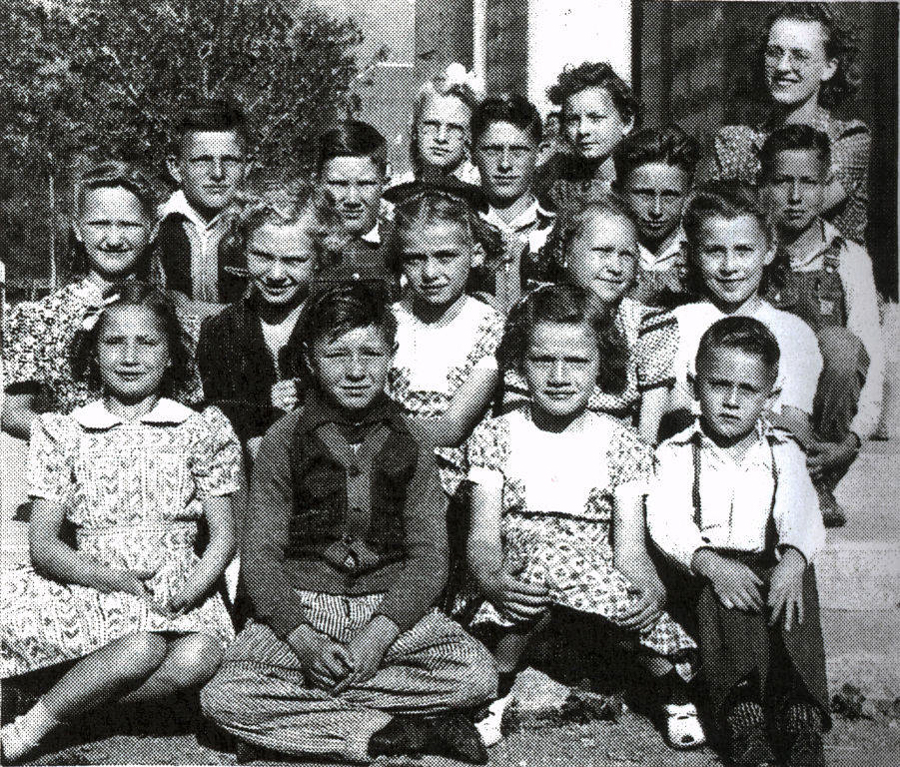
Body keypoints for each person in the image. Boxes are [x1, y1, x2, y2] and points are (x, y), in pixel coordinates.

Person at [200, 283, 498, 765]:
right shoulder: (284, 438)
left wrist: (381, 633)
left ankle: (301, 724)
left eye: (370, 353)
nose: (356, 370)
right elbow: (260, 558)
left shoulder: (414, 439)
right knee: (223, 695)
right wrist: (302, 637)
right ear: (311, 361)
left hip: (389, 609)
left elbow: (429, 556)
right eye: (337, 355)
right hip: (304, 608)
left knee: (475, 672)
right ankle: (392, 730)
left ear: (391, 356)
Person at [0, 283, 238, 764]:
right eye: (114, 342)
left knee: (201, 657)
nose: (130, 357)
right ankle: (29, 728)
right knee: (143, 647)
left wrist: (194, 587)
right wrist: (119, 580)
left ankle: (57, 700)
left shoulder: (200, 428)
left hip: (179, 579)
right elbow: (45, 545)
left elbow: (224, 532)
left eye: (147, 343)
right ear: (93, 354)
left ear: (171, 355)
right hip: (92, 577)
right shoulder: (63, 432)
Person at [462, 284, 703, 751]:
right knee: (520, 600)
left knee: (634, 608)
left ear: (601, 369)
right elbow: (484, 536)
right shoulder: (498, 436)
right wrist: (491, 578)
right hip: (518, 565)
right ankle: (495, 694)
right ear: (518, 366)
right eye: (542, 361)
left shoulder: (620, 443)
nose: (559, 376)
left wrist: (650, 588)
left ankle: (675, 694)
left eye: (577, 362)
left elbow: (629, 546)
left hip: (595, 567)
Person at [648, 317, 829, 767]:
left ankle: (800, 716)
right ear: (694, 385)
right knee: (726, 592)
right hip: (704, 576)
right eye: (717, 385)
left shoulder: (782, 451)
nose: (730, 401)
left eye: (747, 391)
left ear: (770, 397)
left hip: (769, 566)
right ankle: (742, 716)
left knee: (797, 583)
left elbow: (802, 512)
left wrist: (793, 560)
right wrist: (707, 561)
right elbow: (666, 519)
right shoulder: (675, 453)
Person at [2, 161, 200, 441]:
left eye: (129, 225)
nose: (114, 238)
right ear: (79, 229)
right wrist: (79, 439)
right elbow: (13, 413)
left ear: (152, 231)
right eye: (99, 224)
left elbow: (192, 404)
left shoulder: (176, 316)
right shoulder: (39, 318)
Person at [760, 125, 883, 525]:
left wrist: (852, 440)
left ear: (826, 183)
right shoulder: (749, 250)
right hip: (763, 406)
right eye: (782, 182)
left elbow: (871, 358)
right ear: (763, 184)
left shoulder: (849, 257)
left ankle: (817, 484)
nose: (795, 197)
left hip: (823, 427)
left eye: (808, 183)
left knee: (840, 345)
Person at [652, 182, 823, 452]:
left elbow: (796, 424)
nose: (729, 266)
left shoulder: (794, 332)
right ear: (693, 254)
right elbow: (669, 414)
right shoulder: (675, 325)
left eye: (743, 251)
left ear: (768, 251)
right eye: (714, 251)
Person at [707, 2, 869, 242]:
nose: (783, 66)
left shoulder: (850, 140)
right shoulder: (735, 142)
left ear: (829, 67)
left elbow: (796, 211)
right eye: (774, 52)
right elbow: (712, 221)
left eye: (800, 55)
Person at [523, 199, 677, 443]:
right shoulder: (533, 312)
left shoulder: (649, 323)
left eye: (626, 255)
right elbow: (515, 405)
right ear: (564, 253)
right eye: (603, 252)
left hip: (614, 452)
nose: (615, 267)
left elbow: (647, 433)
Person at [197, 185, 325, 453]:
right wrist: (261, 407)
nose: (276, 274)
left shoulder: (333, 325)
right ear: (243, 249)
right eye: (262, 256)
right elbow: (214, 408)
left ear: (319, 258)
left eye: (294, 260)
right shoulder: (222, 330)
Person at [385, 188, 505, 448]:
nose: (429, 272)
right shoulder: (389, 322)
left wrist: (374, 433)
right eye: (415, 259)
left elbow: (452, 428)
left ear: (476, 255)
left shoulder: (489, 328)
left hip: (452, 475)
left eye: (445, 257)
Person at [157, 99, 252, 309]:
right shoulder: (154, 229)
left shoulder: (259, 229)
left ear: (247, 166)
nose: (217, 173)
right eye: (202, 160)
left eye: (230, 160)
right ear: (175, 167)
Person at [471, 93, 557, 312]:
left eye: (518, 151)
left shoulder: (557, 228)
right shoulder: (459, 224)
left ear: (540, 154)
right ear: (471, 152)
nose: (505, 164)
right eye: (492, 150)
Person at [613, 125, 700, 308]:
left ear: (690, 196)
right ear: (618, 192)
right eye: (644, 194)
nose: (656, 210)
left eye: (670, 196)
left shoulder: (700, 255)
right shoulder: (603, 251)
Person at [312, 120, 400, 299]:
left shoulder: (401, 245)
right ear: (317, 183)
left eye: (366, 184)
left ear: (384, 182)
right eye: (339, 184)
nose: (352, 199)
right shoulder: (303, 245)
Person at [537, 61, 639, 211]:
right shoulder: (556, 188)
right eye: (573, 120)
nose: (583, 130)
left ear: (626, 122)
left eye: (595, 118)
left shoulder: (643, 185)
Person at [391, 62, 483, 188]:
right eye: (431, 125)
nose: (441, 138)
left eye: (455, 128)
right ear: (414, 128)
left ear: (470, 136)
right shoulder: (397, 191)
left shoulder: (485, 191)